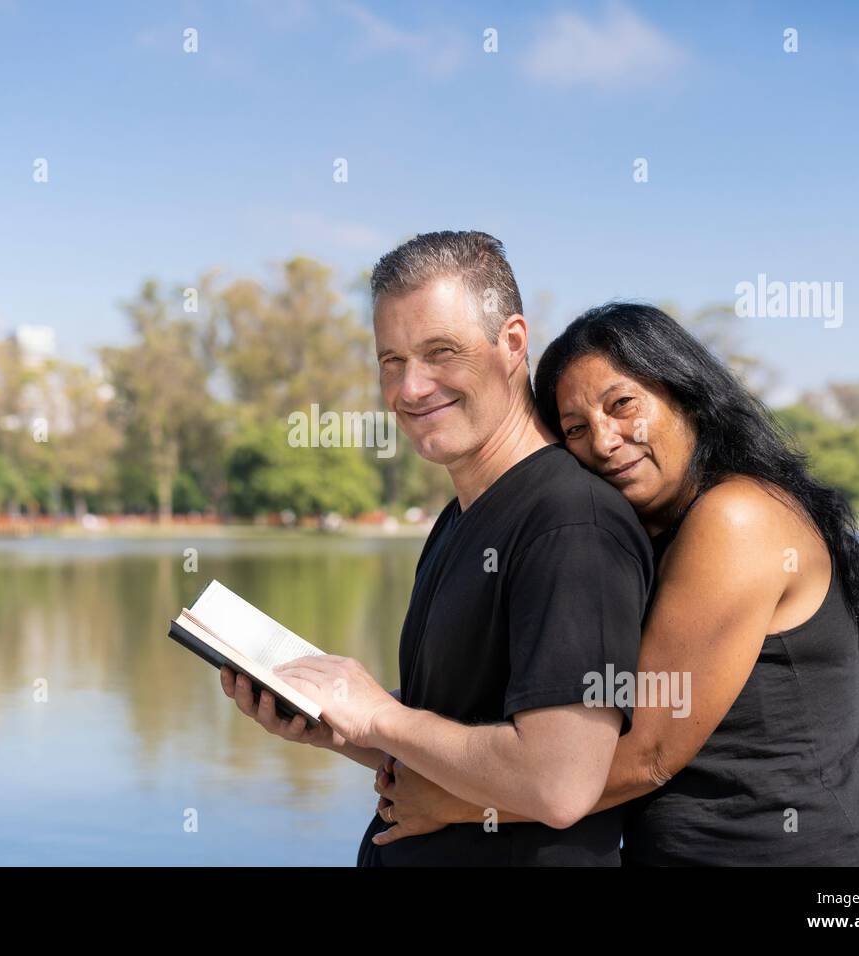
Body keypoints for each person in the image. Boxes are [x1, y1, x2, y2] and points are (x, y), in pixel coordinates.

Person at [372, 301, 859, 866]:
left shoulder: (739, 518)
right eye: (575, 429)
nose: (605, 440)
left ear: (685, 394)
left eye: (622, 406)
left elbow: (648, 754)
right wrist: (347, 714)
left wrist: (457, 802)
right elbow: (554, 715)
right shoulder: (629, 535)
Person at [219, 231, 654, 865]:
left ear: (511, 343)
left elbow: (559, 782)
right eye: (390, 360)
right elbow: (458, 734)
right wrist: (335, 724)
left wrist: (377, 716)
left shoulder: (570, 523)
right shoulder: (459, 517)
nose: (411, 388)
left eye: (439, 352)